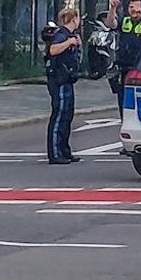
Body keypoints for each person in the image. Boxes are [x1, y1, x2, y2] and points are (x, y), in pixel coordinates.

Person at [44, 10, 84, 165]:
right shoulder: (62, 34)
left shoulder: (69, 35)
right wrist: (69, 43)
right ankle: (54, 153)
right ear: (74, 19)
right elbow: (53, 50)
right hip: (58, 80)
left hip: (67, 80)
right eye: (78, 18)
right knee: (59, 115)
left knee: (67, 115)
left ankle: (65, 151)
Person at [112, 0, 141, 103]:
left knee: (138, 98)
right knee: (123, 98)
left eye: (135, 7)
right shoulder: (125, 20)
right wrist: (112, 9)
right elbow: (111, 24)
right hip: (124, 65)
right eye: (130, 7)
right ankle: (124, 117)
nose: (133, 10)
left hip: (140, 66)